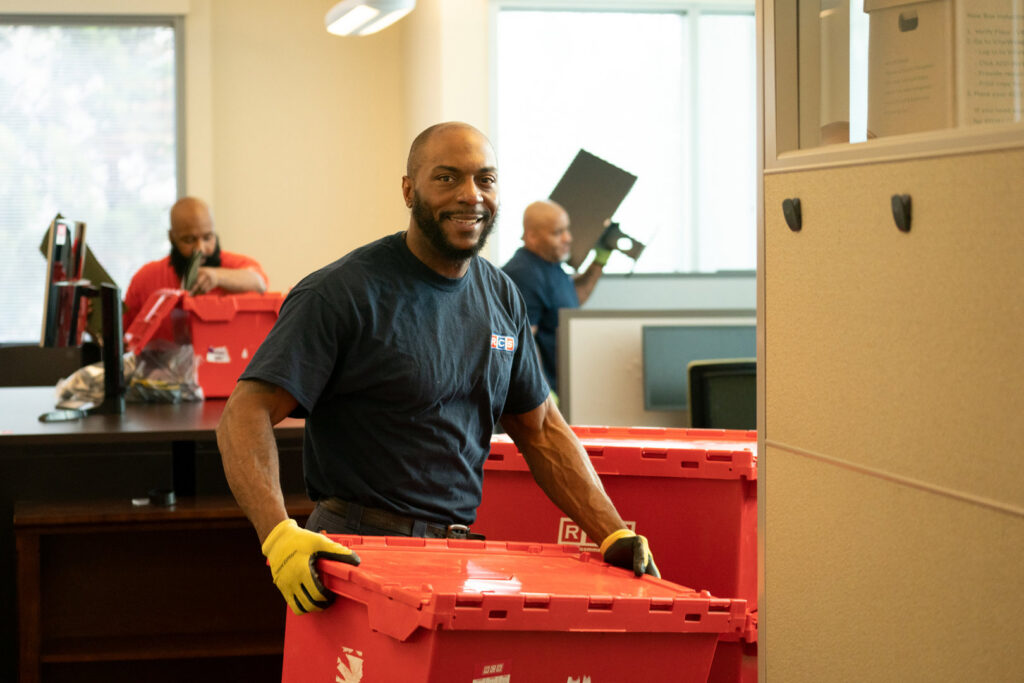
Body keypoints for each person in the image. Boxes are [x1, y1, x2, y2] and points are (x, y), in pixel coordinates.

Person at [216, 122, 658, 616]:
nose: (471, 196)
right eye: (447, 178)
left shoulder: (501, 296)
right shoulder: (341, 293)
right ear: (409, 190)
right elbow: (244, 412)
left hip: (455, 555)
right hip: (354, 554)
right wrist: (278, 535)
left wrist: (612, 531)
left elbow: (543, 431)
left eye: (485, 180)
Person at [122, 196, 268, 343]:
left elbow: (259, 282)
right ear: (172, 237)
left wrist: (217, 277)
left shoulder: (237, 265)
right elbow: (124, 337)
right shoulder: (145, 278)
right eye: (189, 240)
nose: (200, 249)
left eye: (207, 237)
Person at [502, 199, 609, 394]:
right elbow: (524, 342)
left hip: (563, 389)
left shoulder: (551, 264)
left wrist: (600, 259)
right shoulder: (524, 274)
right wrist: (542, 393)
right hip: (545, 395)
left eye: (567, 230)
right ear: (532, 237)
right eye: (558, 233)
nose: (568, 238)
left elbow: (571, 302)